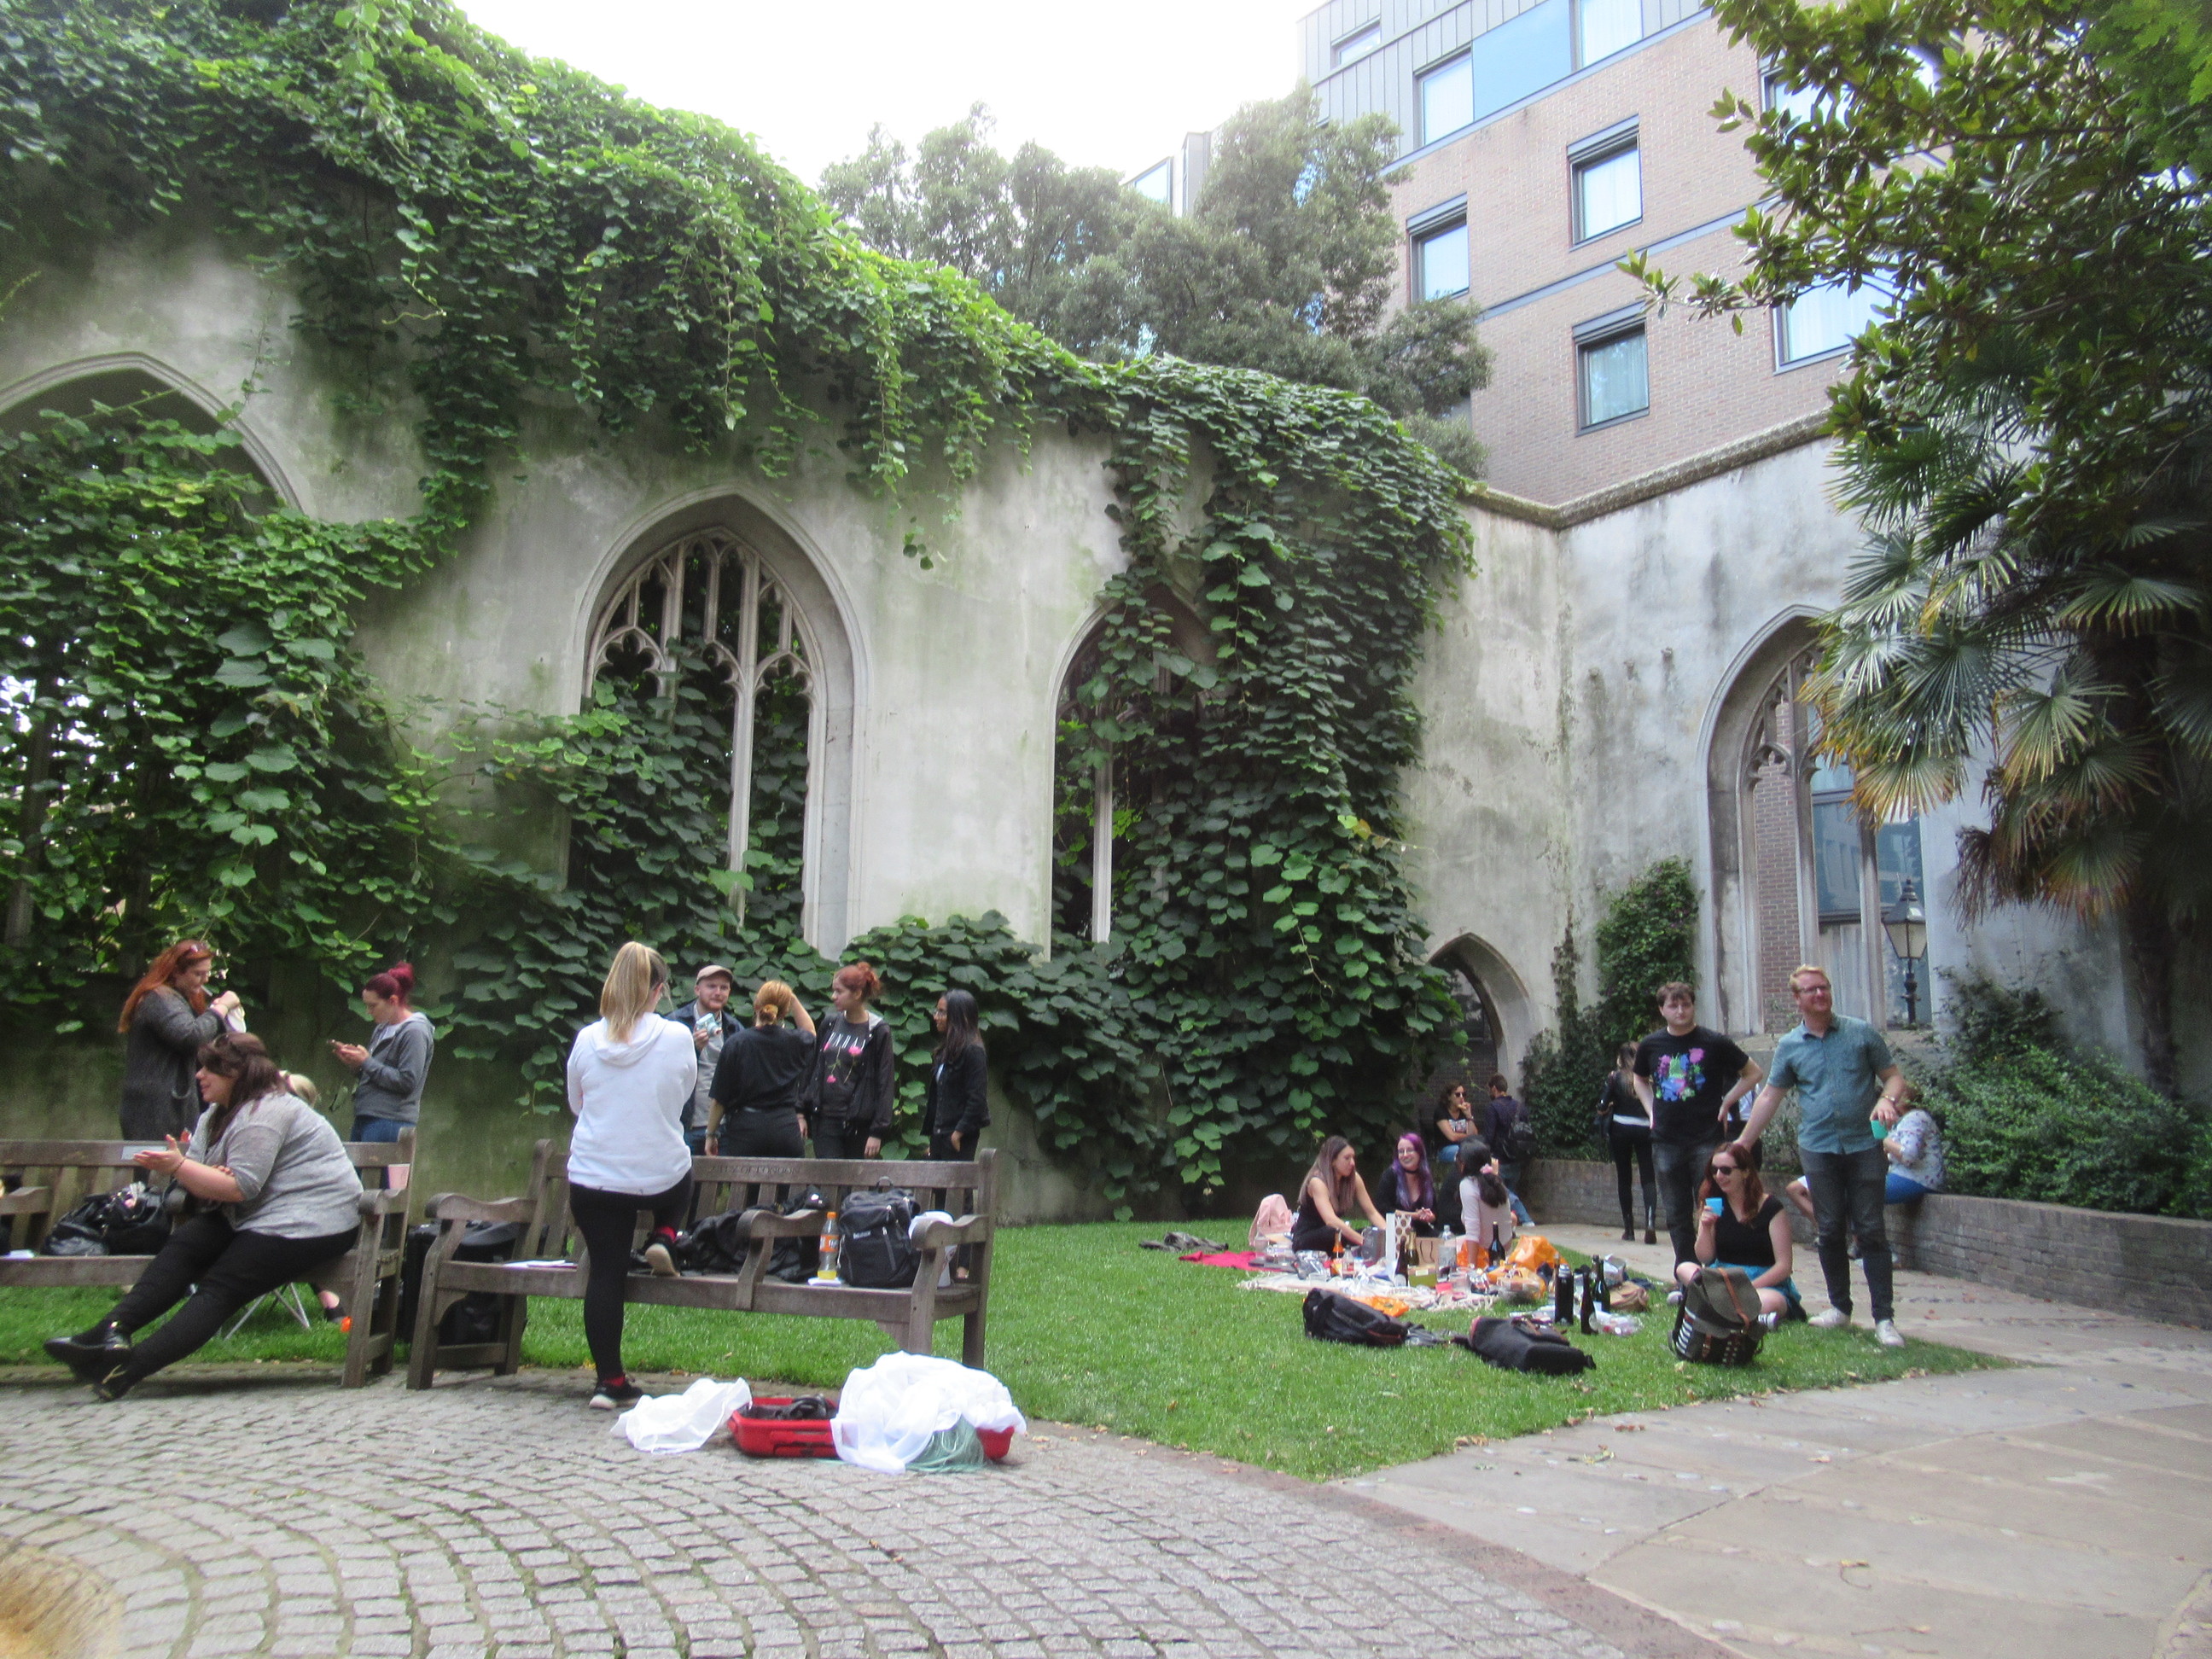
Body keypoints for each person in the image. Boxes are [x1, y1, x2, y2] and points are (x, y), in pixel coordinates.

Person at [44, 1033, 363, 1400]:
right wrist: (201, 1174)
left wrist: (186, 1169)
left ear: (235, 1073)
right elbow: (201, 1180)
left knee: (222, 1287)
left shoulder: (267, 1113)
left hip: (315, 1221)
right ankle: (108, 1333)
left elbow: (238, 1187)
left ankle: (123, 1371)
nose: (199, 1075)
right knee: (185, 1244)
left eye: (209, 1068)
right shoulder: (215, 1114)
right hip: (253, 1213)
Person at [1741, 963, 1910, 1348]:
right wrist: (1744, 1143)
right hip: (1818, 1147)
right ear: (1797, 999)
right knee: (1830, 1229)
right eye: (1811, 990)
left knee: (1871, 1229)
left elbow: (1894, 1076)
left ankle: (1884, 1319)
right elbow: (1770, 1096)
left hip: (1865, 1144)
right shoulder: (1790, 1046)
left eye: (1824, 987)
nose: (1820, 994)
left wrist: (1887, 1099)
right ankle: (1840, 1308)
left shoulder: (1860, 1032)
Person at [565, 941, 697, 1410]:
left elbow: (577, 1104)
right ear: (658, 989)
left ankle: (609, 1382)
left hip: (593, 1177)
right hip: (656, 1176)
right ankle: (664, 1233)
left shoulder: (587, 1039)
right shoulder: (677, 1036)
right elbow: (683, 1095)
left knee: (605, 1273)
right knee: (683, 1163)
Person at [1634, 981, 1762, 1267]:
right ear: (1662, 1010)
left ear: (1693, 1006)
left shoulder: (1714, 1042)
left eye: (1686, 1005)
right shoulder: (1651, 1045)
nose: (1680, 1011)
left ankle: (1718, 1268)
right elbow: (1639, 1079)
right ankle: (1686, 1271)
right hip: (1666, 1140)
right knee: (1676, 1213)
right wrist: (1651, 1111)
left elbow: (1753, 1073)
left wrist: (1727, 1101)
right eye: (1673, 1005)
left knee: (1712, 1205)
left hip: (1707, 1138)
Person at [116, 940, 242, 1140]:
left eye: (207, 973)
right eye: (198, 974)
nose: (205, 980)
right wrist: (220, 1009)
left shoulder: (180, 998)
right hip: (155, 1110)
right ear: (176, 972)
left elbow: (204, 1041)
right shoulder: (159, 999)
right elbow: (190, 1036)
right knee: (157, 1160)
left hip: (172, 1106)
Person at [1676, 1140, 1801, 1326]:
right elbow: (1705, 1257)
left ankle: (1704, 1304)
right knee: (1684, 1268)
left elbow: (1784, 1267)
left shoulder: (1771, 1208)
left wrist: (1747, 1288)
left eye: (1726, 1170)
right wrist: (1706, 1228)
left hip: (1761, 1282)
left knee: (1769, 1302)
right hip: (1722, 1279)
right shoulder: (1713, 1203)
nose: (1719, 1176)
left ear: (1745, 1172)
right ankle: (1742, 1313)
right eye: (1714, 1170)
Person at [705, 980, 818, 1158]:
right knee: (789, 1177)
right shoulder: (795, 1041)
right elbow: (810, 1032)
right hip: (785, 1129)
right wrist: (792, 998)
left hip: (746, 1130)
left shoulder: (736, 1043)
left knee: (743, 1177)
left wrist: (711, 1134)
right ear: (785, 1012)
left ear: (756, 1005)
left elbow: (720, 1099)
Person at [330, 963, 434, 1144]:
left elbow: (407, 1081)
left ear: (393, 1001)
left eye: (373, 1006)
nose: (368, 1011)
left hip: (390, 1120)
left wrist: (366, 1062)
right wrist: (356, 1063)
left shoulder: (415, 1031)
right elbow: (376, 1074)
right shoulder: (382, 1028)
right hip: (366, 1116)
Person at [806, 961, 895, 1159]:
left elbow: (885, 1082)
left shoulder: (878, 1031)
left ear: (857, 994)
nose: (833, 996)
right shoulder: (829, 1023)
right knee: (828, 1175)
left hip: (858, 1125)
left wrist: (877, 1131)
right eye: (833, 991)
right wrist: (800, 1111)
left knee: (853, 1178)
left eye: (839, 991)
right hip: (825, 1120)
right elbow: (813, 1068)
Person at [668, 964, 736, 1156]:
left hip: (723, 1126)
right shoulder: (675, 1023)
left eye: (724, 988)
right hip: (684, 1125)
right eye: (711, 986)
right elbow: (664, 1070)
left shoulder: (734, 1028)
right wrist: (693, 1049)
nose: (718, 992)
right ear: (697, 990)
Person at [1599, 1040, 1657, 1243]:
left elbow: (1601, 1106)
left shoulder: (1615, 1077)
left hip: (1621, 1128)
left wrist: (1607, 1108)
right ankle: (1650, 1222)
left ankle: (1629, 1229)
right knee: (1648, 1176)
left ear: (1621, 1058)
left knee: (1624, 1178)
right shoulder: (1649, 1077)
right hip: (1645, 1128)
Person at [922, 988, 989, 1159]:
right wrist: (935, 1137)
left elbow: (977, 1099)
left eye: (942, 1012)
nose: (936, 1017)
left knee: (957, 1178)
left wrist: (958, 1133)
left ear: (959, 1016)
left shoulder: (973, 1051)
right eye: (936, 1011)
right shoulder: (944, 1051)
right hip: (939, 1135)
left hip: (958, 1138)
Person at [1289, 1135, 1386, 1252]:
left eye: (1353, 1158)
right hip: (1308, 1237)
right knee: (1336, 1232)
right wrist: (1364, 1242)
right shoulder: (1318, 1182)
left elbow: (1371, 1212)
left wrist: (1389, 1235)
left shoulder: (1354, 1178)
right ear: (1333, 1161)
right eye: (1347, 1158)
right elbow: (1330, 1220)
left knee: (1371, 1232)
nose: (1352, 1163)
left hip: (1334, 1233)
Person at [1481, 1074, 1534, 1225]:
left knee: (1505, 1193)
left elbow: (1489, 1136)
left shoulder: (1493, 1107)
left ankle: (1526, 1219)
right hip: (1517, 1158)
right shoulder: (1520, 1107)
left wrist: (1486, 1155)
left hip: (1499, 1159)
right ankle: (1509, 1223)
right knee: (1509, 1192)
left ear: (1494, 1088)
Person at [1457, 1138, 1519, 1254]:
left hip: (1485, 1252)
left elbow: (1473, 1230)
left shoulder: (1467, 1184)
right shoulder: (1497, 1182)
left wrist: (1472, 1264)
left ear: (1463, 1165)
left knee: (1447, 1246)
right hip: (1505, 1249)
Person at [1371, 1132, 1437, 1234]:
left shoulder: (1425, 1177)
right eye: (1401, 1152)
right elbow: (1383, 1210)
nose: (1405, 1155)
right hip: (1393, 1231)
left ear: (1419, 1153)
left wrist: (1430, 1217)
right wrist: (1414, 1216)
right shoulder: (1390, 1175)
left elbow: (1435, 1212)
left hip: (1420, 1232)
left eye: (1409, 1150)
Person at [1883, 1104, 1946, 1203]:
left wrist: (1884, 1141)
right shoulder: (1901, 1120)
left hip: (1919, 1179)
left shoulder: (1916, 1117)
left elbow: (1908, 1155)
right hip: (1907, 1177)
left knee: (1866, 1192)